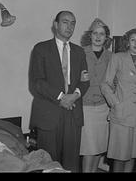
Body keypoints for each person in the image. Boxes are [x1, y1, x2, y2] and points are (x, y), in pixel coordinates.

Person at [28, 10, 90, 172]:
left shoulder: (79, 51)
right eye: (65, 22)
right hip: (49, 113)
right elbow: (37, 82)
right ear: (56, 25)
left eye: (73, 23)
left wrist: (74, 96)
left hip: (73, 113)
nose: (69, 26)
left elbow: (85, 81)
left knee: (71, 164)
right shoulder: (41, 49)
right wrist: (62, 97)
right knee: (49, 164)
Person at [101, 28, 136, 172]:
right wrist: (115, 103)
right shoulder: (118, 58)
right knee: (119, 155)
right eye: (133, 40)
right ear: (127, 43)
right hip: (121, 113)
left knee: (132, 155)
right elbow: (105, 84)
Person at [79, 18, 112, 172]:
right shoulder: (80, 53)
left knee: (99, 147)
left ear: (106, 38)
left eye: (102, 34)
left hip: (104, 106)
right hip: (86, 105)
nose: (98, 37)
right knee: (88, 148)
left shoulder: (111, 56)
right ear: (90, 35)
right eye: (95, 33)